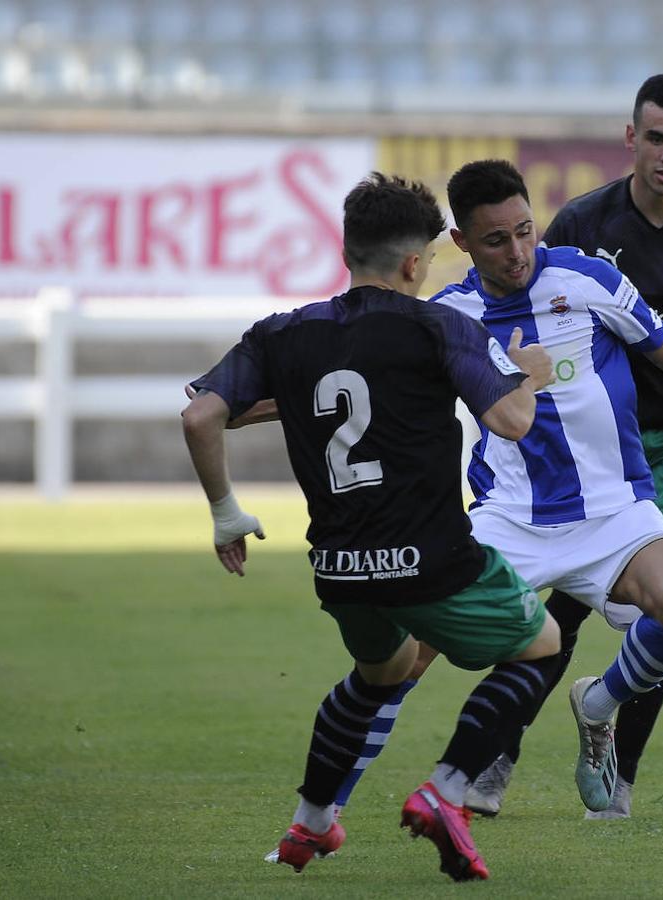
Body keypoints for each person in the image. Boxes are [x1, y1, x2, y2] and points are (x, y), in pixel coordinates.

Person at [325, 158, 663, 817]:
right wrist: (243, 402)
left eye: (526, 230)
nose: (519, 252)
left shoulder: (588, 277)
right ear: (460, 243)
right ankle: (322, 815)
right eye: (496, 239)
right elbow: (361, 390)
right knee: (402, 662)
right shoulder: (446, 316)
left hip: (613, 510)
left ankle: (599, 702)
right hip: (507, 519)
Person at [181, 172, 563, 882]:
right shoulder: (441, 326)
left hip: (341, 570)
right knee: (542, 645)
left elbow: (203, 413)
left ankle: (311, 824)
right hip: (433, 562)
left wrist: (226, 513)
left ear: (348, 249)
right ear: (417, 263)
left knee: (380, 671)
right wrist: (527, 374)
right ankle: (447, 792)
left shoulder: (284, 334)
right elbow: (509, 421)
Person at [467, 73, 663, 820]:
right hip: (596, 447)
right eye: (656, 138)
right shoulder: (582, 224)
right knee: (561, 611)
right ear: (631, 139)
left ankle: (615, 765)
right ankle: (495, 756)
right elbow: (531, 318)